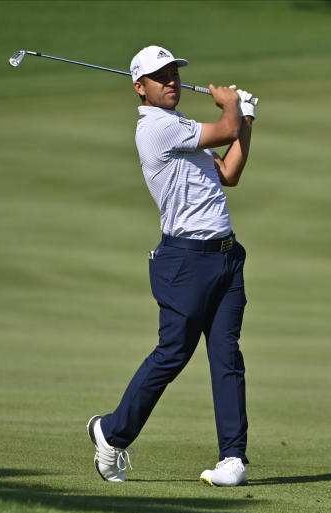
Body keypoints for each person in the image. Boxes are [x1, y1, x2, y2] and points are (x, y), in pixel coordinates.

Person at [87, 45, 256, 486]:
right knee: (173, 355)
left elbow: (231, 172)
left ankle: (233, 459)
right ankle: (111, 433)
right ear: (139, 87)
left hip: (225, 258)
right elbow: (224, 129)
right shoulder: (155, 129)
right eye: (160, 77)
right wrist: (234, 108)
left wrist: (247, 121)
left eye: (175, 74)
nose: (172, 82)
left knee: (227, 356)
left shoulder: (180, 126)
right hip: (185, 261)